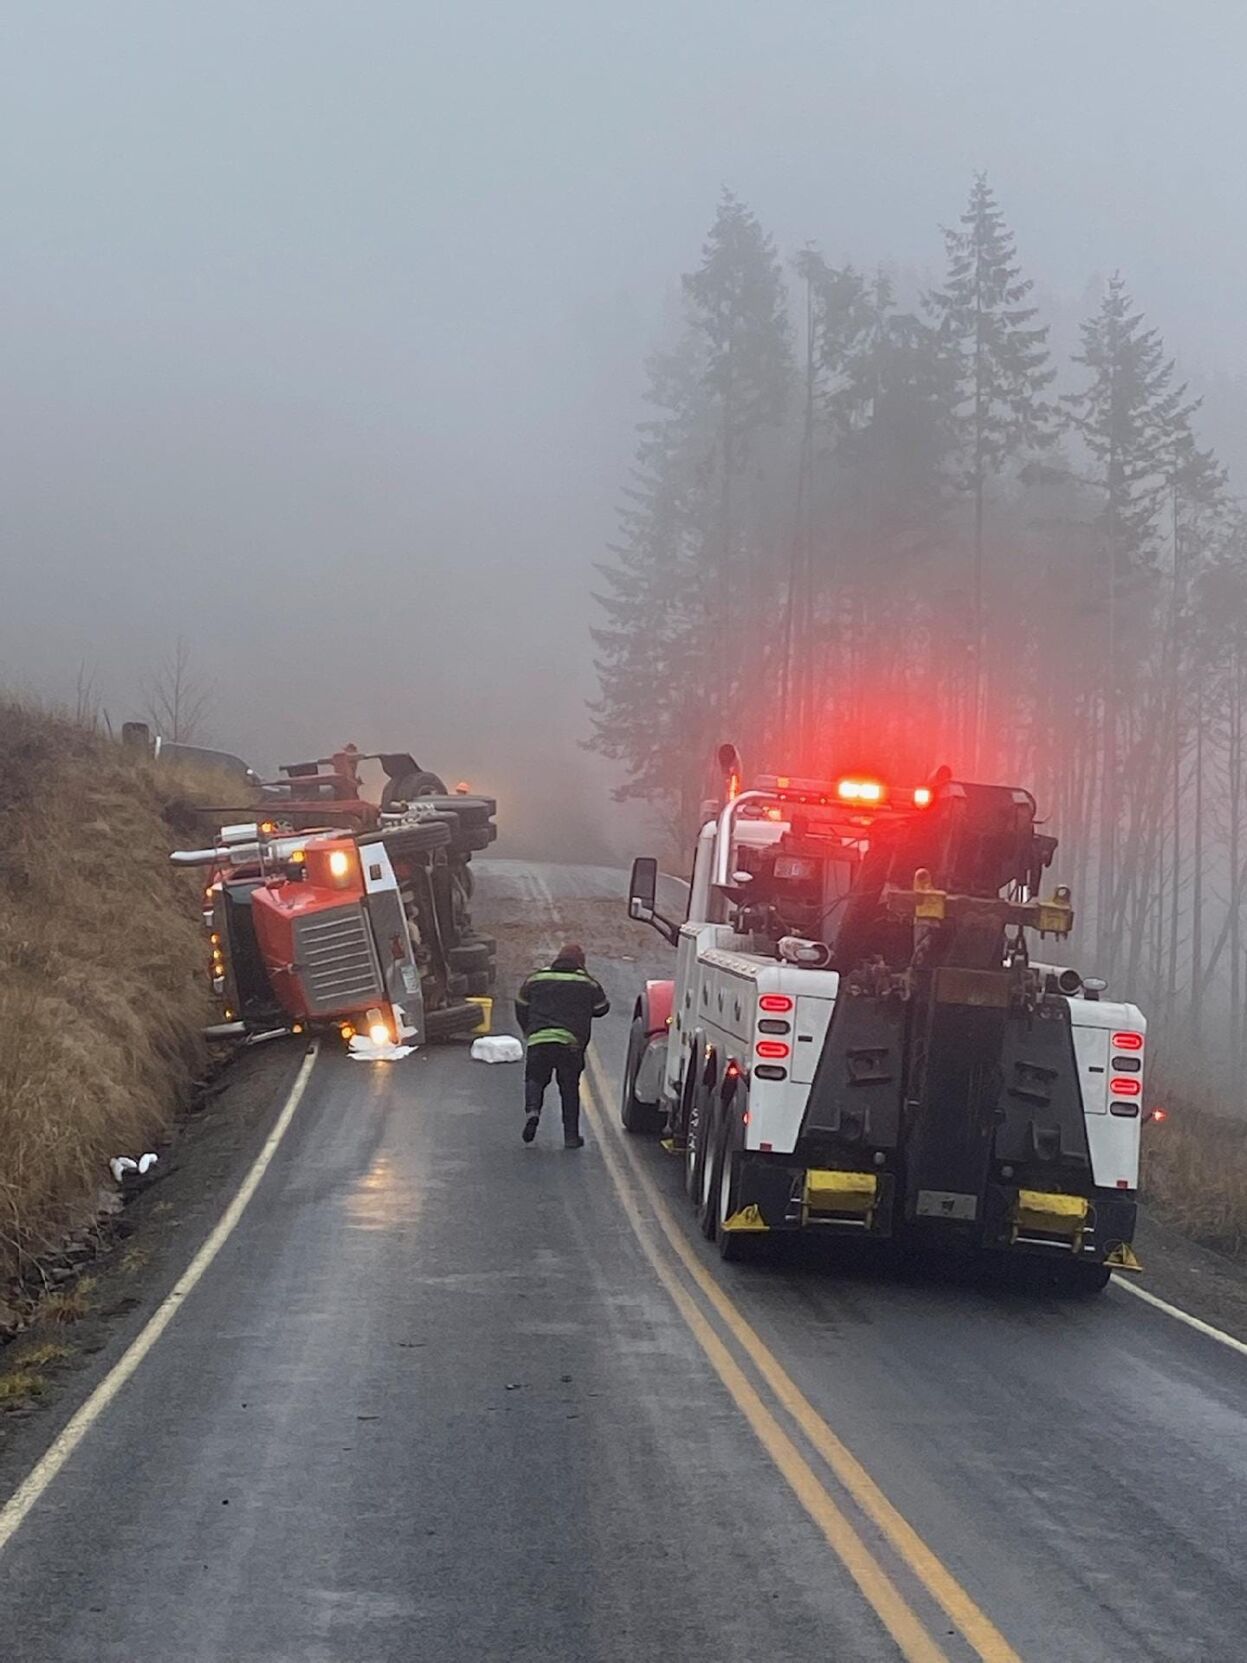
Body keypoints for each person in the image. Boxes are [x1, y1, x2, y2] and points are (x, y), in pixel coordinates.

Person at [515, 944, 610, 1148]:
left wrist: (529, 1029)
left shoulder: (535, 979)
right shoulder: (587, 983)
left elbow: (521, 1003)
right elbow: (602, 1008)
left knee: (535, 1079)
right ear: (580, 963)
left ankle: (533, 1111)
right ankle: (571, 1137)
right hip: (570, 1044)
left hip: (539, 1039)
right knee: (569, 1089)